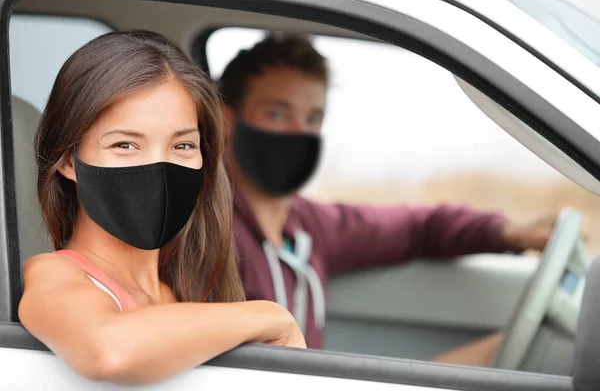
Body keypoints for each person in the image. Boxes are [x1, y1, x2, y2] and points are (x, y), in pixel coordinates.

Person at [218, 33, 564, 366]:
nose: (300, 133)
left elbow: (419, 227)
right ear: (225, 119)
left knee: (499, 351)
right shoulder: (207, 228)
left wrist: (510, 233)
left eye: (313, 118)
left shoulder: (310, 228)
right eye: (277, 114)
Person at [18, 30, 306, 386]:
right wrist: (270, 316)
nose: (159, 167)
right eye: (125, 144)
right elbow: (109, 350)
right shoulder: (53, 276)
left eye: (183, 146)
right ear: (68, 161)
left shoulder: (192, 289)